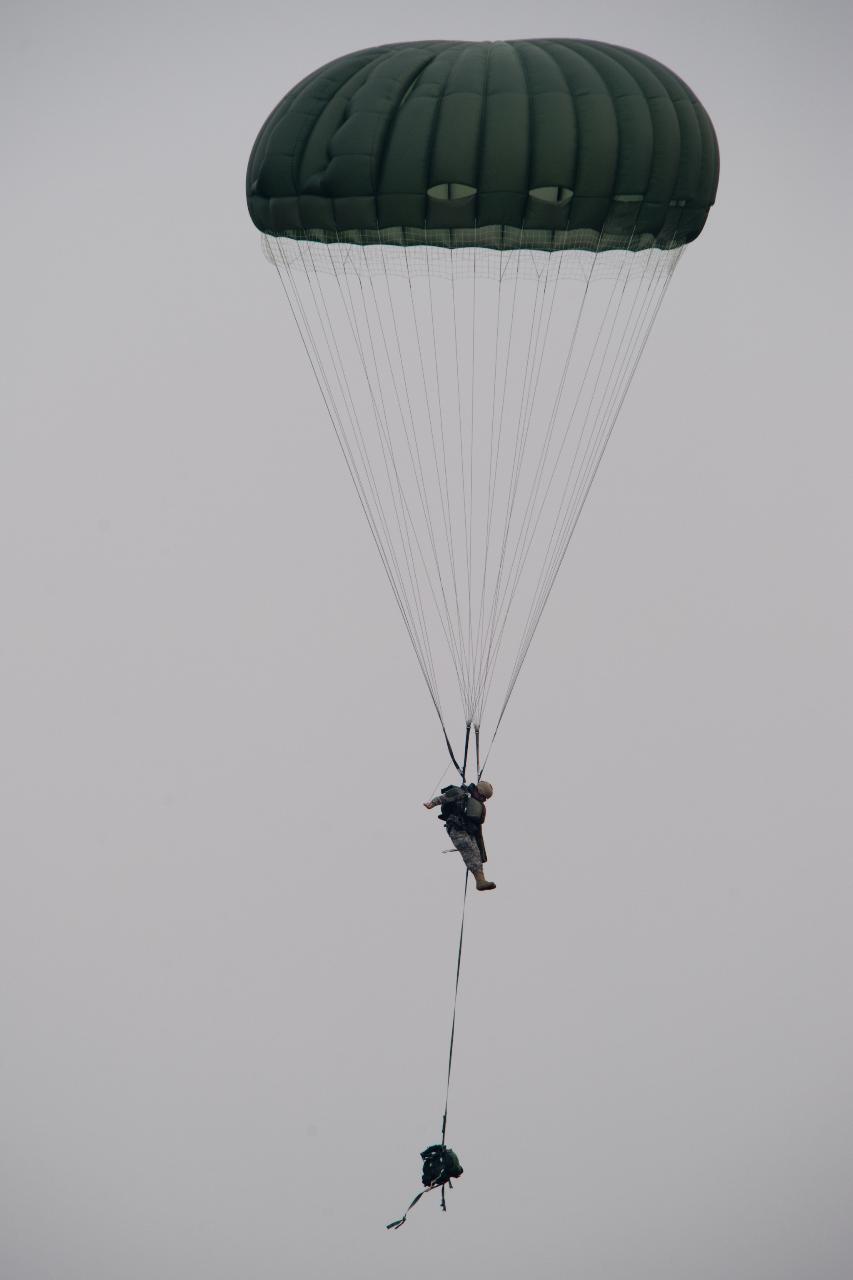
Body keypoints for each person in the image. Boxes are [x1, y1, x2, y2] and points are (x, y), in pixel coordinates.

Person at [423, 780, 496, 890]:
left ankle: (480, 880)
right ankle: (480, 880)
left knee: (475, 852)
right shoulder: (460, 793)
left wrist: (482, 852)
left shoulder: (477, 805)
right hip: (456, 829)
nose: (483, 800)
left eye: (484, 799)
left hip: (468, 830)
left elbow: (478, 831)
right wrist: (431, 804)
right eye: (482, 797)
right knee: (467, 846)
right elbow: (442, 798)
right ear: (477, 791)